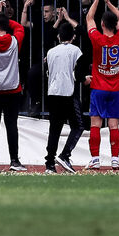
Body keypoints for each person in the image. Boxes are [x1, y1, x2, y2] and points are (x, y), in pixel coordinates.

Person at [85, 0, 119, 170]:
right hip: (116, 88)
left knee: (95, 124)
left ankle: (95, 159)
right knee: (114, 125)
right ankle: (115, 158)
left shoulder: (97, 39)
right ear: (115, 26)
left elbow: (89, 18)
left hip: (99, 87)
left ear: (102, 24)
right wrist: (109, 3)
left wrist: (97, 0)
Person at [0, 0, 26, 171]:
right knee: (12, 126)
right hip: (12, 90)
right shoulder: (15, 41)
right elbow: (20, 27)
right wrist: (3, 19)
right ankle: (14, 160)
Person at [45, 21, 85, 173]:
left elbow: (48, 71)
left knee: (54, 129)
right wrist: (85, 79)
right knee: (78, 126)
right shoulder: (76, 51)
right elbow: (79, 73)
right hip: (67, 93)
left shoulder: (50, 52)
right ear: (73, 37)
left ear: (58, 36)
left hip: (53, 93)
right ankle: (65, 155)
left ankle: (49, 164)